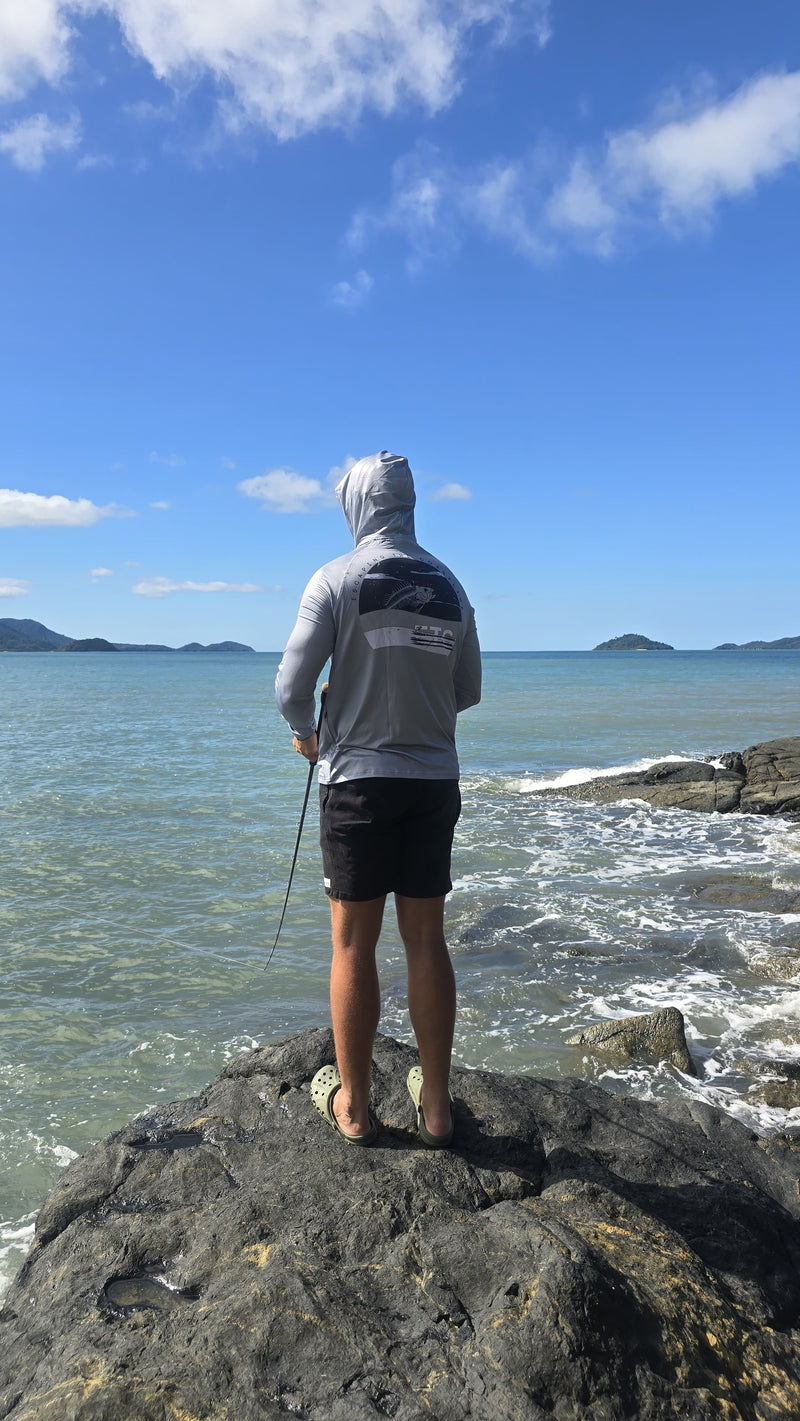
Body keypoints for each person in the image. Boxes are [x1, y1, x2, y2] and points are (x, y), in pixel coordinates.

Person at [275, 450, 481, 1147]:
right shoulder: (450, 585)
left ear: (357, 504)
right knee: (425, 939)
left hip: (358, 782)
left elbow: (291, 687)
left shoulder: (335, 578)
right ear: (410, 503)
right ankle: (437, 1109)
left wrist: (308, 734)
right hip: (433, 781)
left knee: (352, 944)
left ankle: (357, 1108)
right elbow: (467, 689)